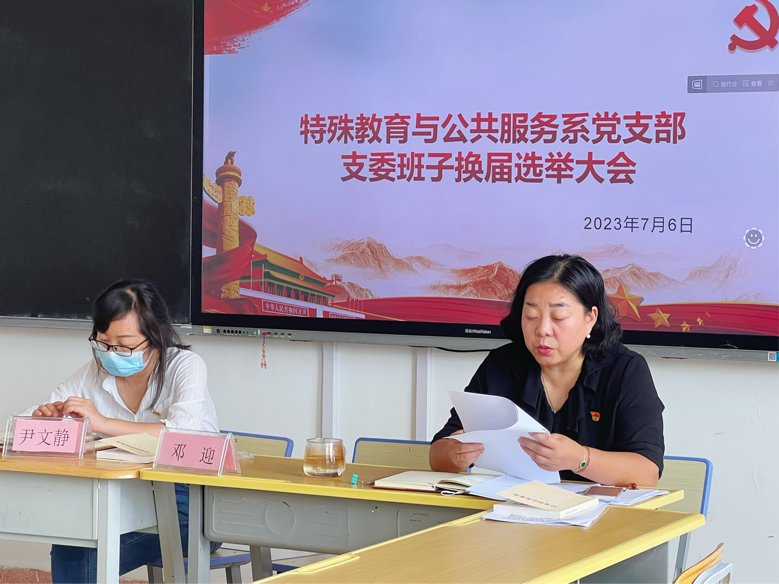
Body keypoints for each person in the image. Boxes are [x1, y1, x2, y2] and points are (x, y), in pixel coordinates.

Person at [22, 279, 220, 584]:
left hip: (192, 504)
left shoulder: (186, 366)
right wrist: (43, 421)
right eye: (103, 343)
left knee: (84, 556)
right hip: (126, 497)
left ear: (156, 334)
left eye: (125, 345)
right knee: (71, 544)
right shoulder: (95, 371)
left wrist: (102, 423)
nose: (111, 353)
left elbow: (183, 438)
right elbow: (33, 417)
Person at [429, 255, 665, 486]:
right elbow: (438, 453)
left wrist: (580, 459)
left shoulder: (625, 370)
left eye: (558, 317)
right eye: (531, 316)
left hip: (601, 509)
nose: (542, 329)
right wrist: (454, 455)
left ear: (590, 318)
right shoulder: (501, 364)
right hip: (513, 505)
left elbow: (647, 473)